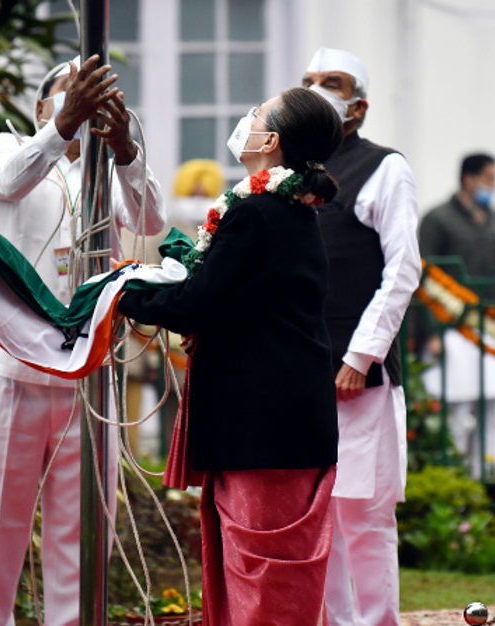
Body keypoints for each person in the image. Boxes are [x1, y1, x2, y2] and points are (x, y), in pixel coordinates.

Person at [118, 87, 343, 626]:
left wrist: (121, 293)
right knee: (257, 573)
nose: (246, 117)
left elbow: (200, 303)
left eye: (257, 113)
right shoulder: (281, 210)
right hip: (279, 421)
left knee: (262, 579)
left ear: (270, 140)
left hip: (264, 425)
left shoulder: (260, 212)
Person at [0, 55, 166, 626]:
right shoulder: (0, 149)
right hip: (8, 374)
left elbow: (150, 222)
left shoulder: (104, 172)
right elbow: (9, 182)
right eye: (71, 92)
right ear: (40, 106)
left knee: (79, 537)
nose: (82, 104)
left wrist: (125, 150)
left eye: (94, 95)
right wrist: (62, 128)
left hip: (86, 377)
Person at [301, 47, 421, 626]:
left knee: (364, 514)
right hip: (299, 368)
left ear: (357, 107)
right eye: (308, 81)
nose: (316, 88)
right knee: (316, 513)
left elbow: (404, 269)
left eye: (331, 82)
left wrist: (362, 355)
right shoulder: (285, 172)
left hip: (357, 372)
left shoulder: (384, 167)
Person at [418, 154, 495, 480]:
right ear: (468, 179)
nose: (494, 185)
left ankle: (491, 480)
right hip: (451, 329)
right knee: (456, 414)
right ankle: (455, 486)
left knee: (494, 411)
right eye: (488, 178)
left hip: (493, 328)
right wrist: (431, 332)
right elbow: (425, 277)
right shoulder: (438, 219)